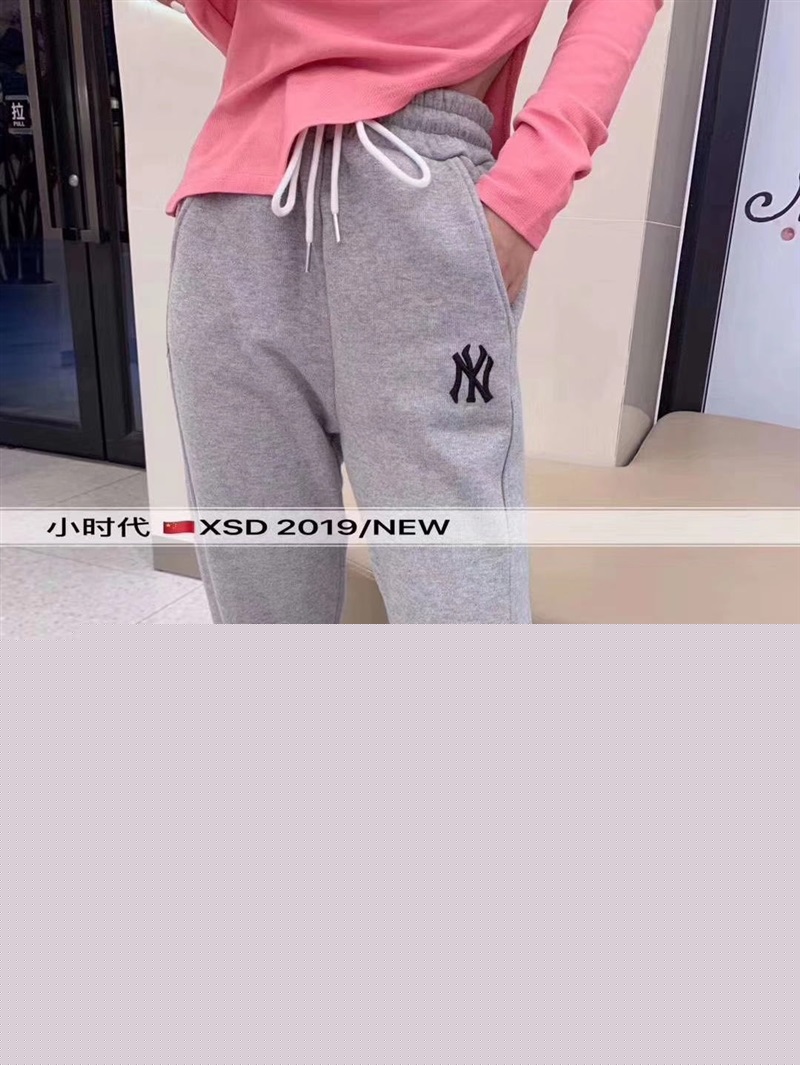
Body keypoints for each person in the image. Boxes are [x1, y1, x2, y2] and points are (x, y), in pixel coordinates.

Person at [160, 0, 663, 624]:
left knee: (460, 611)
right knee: (259, 610)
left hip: (419, 189)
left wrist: (526, 193)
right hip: (235, 208)